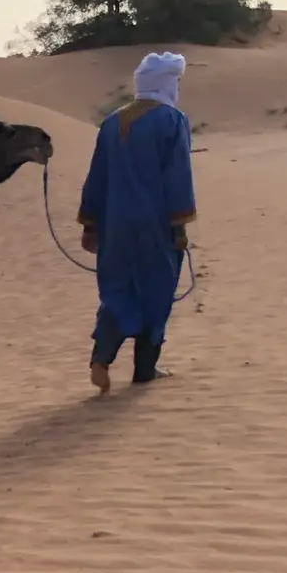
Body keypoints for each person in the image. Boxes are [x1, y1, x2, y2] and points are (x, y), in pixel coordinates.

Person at [77, 50, 196, 392]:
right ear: (167, 83)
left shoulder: (112, 122)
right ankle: (144, 370)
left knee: (118, 289)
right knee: (156, 290)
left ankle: (101, 355)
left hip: (114, 225)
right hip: (155, 224)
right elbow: (178, 177)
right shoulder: (172, 121)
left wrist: (90, 224)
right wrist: (180, 225)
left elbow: (96, 176)